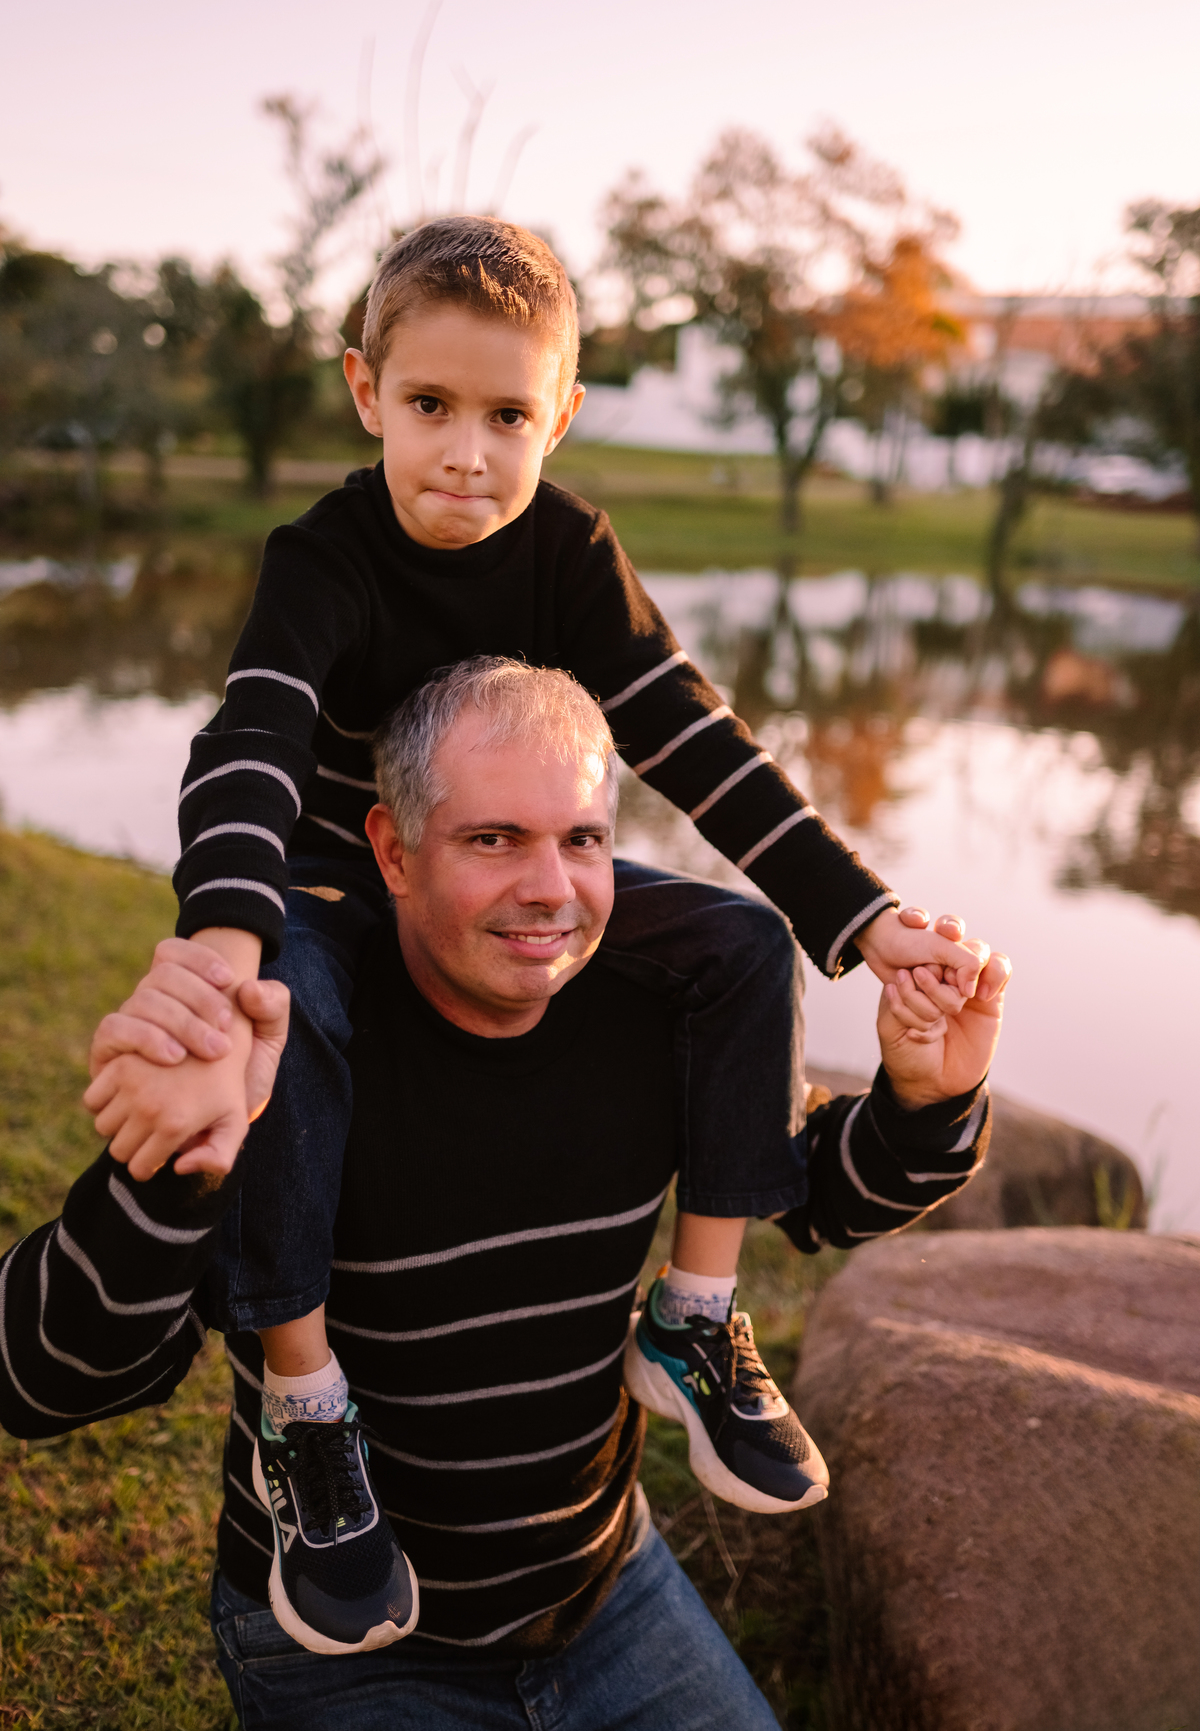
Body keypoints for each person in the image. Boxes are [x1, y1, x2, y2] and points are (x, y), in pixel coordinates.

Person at [85, 218, 992, 1650]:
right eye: (429, 406)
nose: (465, 452)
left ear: (559, 416)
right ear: (364, 391)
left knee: (740, 949)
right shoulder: (324, 554)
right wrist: (224, 929)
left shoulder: (569, 546)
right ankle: (308, 1404)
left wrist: (861, 917)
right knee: (290, 1010)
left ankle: (692, 1315)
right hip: (336, 894)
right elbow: (249, 734)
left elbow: (692, 737)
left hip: (507, 886)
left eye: (508, 415)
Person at [2, 658, 1008, 1729]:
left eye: (580, 839)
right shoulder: (287, 1046)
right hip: (349, 1644)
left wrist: (926, 1097)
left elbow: (815, 1199)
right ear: (392, 849)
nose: (550, 888)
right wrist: (162, 1173)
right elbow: (42, 1381)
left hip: (607, 1594)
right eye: (494, 840)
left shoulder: (656, 1010)